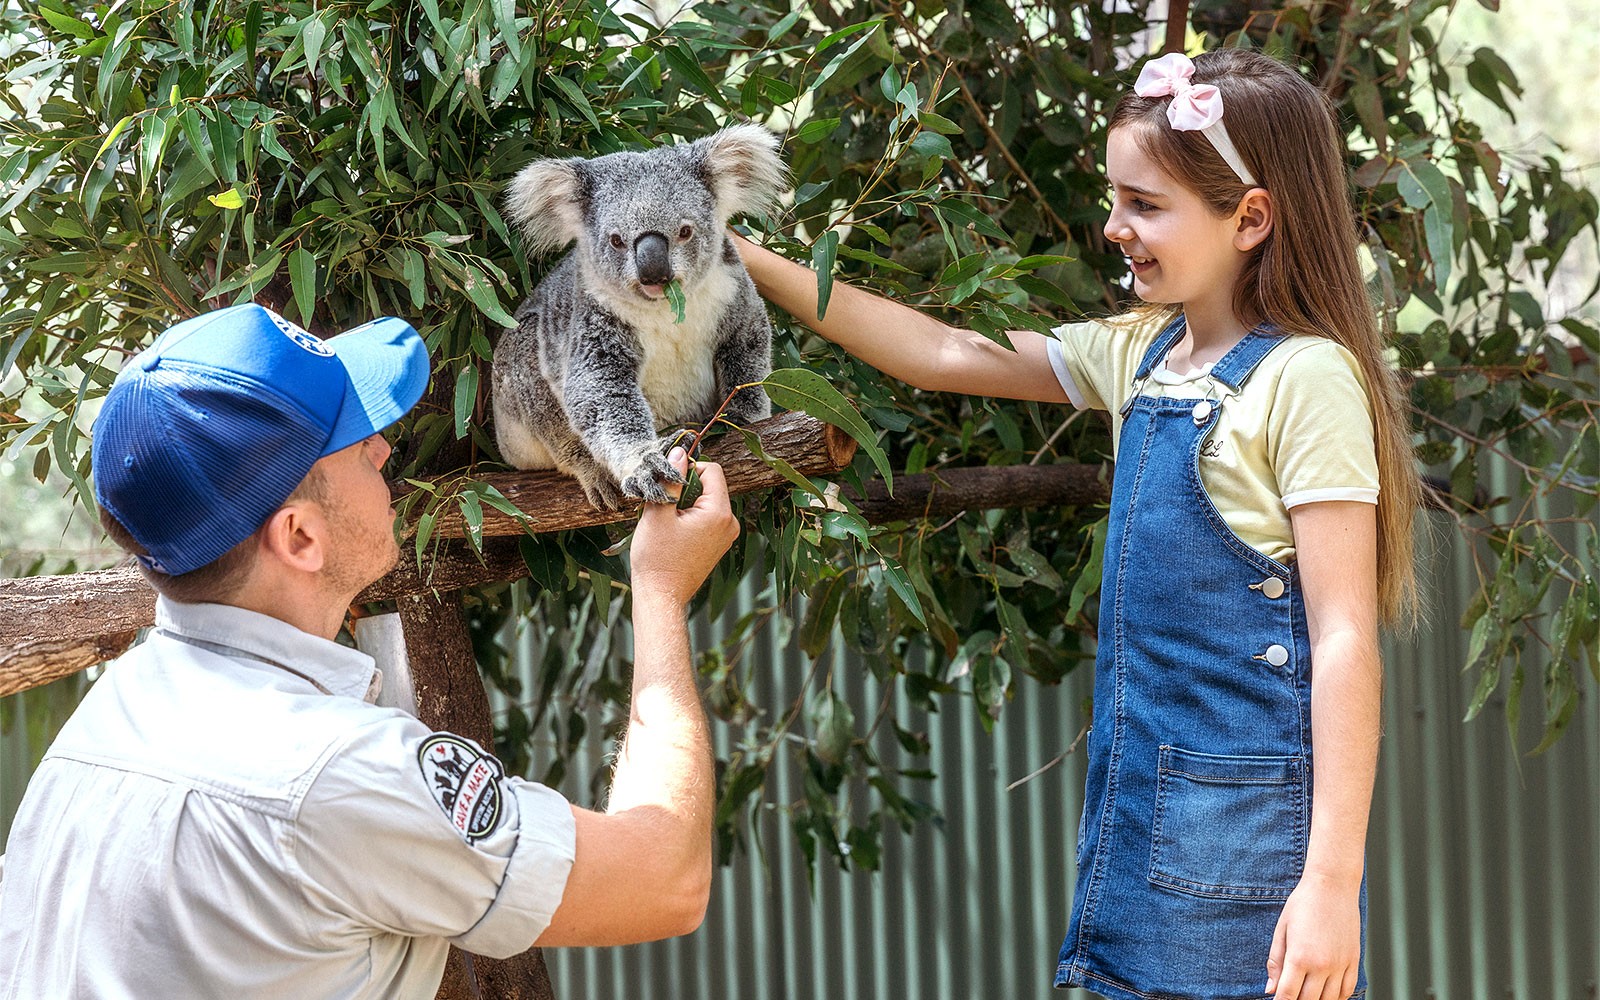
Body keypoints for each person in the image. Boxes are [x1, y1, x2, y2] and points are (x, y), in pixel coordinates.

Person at [734, 48, 1418, 1000]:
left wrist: (1332, 882)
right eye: (1114, 198)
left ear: (1250, 217)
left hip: (1249, 850)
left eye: (1145, 205)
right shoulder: (1143, 353)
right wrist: (741, 256)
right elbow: (944, 351)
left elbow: (1344, 637)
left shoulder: (1305, 379)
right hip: (1141, 815)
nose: (1113, 226)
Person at [0, 303, 739, 997]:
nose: (386, 445)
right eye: (356, 444)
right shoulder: (334, 774)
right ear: (300, 537)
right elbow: (663, 878)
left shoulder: (101, 728)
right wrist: (660, 589)